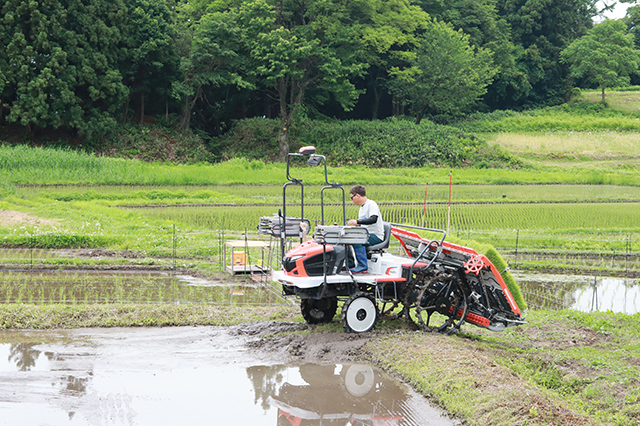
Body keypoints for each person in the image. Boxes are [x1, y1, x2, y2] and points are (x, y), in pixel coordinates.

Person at [346, 184, 384, 274]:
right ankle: (350, 263)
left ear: (357, 195)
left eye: (352, 197)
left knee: (357, 240)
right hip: (366, 234)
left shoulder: (371, 204)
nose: (352, 200)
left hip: (376, 235)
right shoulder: (362, 208)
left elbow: (373, 219)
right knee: (346, 239)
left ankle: (362, 265)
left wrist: (358, 222)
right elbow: (363, 222)